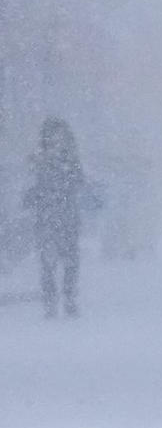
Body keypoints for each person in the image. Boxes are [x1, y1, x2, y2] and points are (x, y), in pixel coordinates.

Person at [24, 118, 86, 319]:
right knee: (47, 261)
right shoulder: (38, 159)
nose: (57, 139)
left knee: (70, 260)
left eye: (60, 135)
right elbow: (32, 188)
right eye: (53, 134)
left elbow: (79, 181)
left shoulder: (70, 159)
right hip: (46, 217)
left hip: (67, 216)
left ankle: (69, 297)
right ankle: (50, 300)